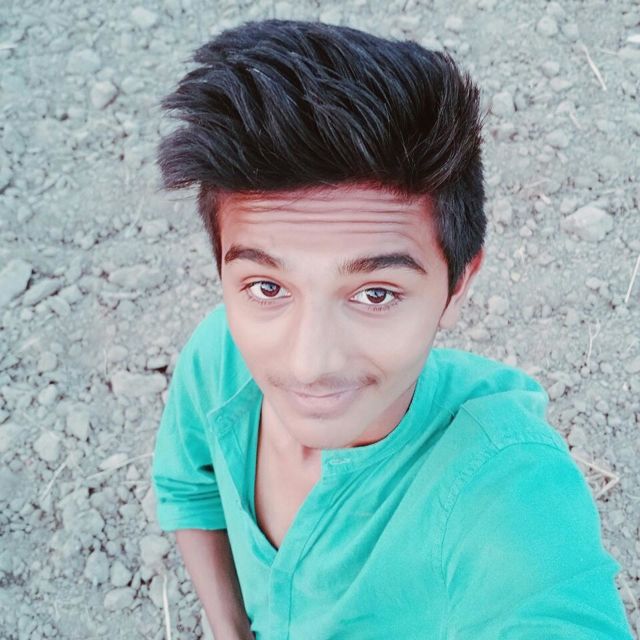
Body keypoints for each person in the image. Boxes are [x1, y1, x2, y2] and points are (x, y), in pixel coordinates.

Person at [150, 18, 633, 640]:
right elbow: (188, 488)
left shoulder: (503, 485)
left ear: (457, 285)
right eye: (267, 288)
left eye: (375, 293)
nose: (308, 364)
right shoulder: (218, 356)